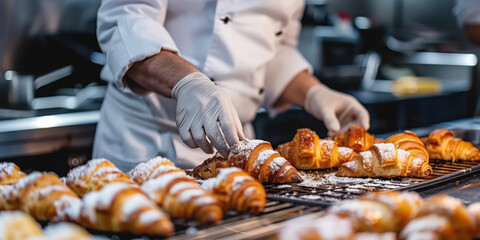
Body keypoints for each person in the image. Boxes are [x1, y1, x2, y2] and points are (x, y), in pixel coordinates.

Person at [93, 0, 370, 172]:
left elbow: (270, 51)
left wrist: (314, 93)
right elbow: (127, 23)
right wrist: (188, 83)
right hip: (148, 143)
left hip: (237, 153)